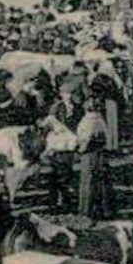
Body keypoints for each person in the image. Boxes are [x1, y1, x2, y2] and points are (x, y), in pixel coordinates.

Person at [47, 79, 86, 212]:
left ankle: (64, 199)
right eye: (65, 93)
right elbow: (50, 125)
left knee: (67, 172)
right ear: (61, 94)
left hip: (69, 143)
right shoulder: (56, 107)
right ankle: (55, 200)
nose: (68, 96)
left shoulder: (78, 108)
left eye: (70, 93)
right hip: (57, 144)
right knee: (57, 172)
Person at [76, 95, 112, 219]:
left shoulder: (87, 121)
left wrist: (80, 149)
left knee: (88, 181)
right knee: (102, 181)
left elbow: (85, 139)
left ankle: (86, 211)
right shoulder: (101, 120)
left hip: (89, 153)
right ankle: (104, 210)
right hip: (101, 153)